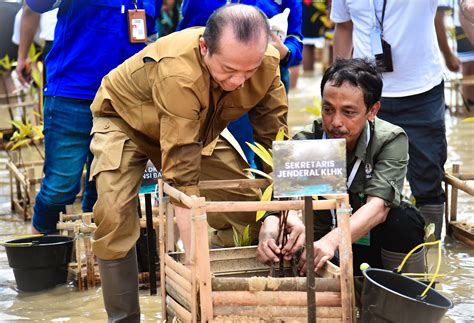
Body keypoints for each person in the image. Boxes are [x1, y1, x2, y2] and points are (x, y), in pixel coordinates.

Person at [90, 5, 287, 321]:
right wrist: (195, 267)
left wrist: (279, 213)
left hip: (194, 125)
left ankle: (234, 299)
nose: (238, 81)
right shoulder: (179, 72)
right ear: (204, 48)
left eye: (248, 71)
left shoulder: (264, 63)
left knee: (248, 208)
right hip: (125, 121)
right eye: (228, 70)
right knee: (113, 214)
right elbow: (181, 175)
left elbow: (277, 144)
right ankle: (124, 317)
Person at [256, 58, 426, 276]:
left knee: (404, 218)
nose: (335, 122)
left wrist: (332, 241)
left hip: (365, 242)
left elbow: (378, 209)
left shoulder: (390, 140)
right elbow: (281, 202)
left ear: (372, 110)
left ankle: (407, 294)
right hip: (318, 246)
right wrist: (272, 224)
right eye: (328, 109)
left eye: (348, 112)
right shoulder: (307, 140)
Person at [25, 0, 161, 236]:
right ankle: (40, 257)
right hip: (72, 97)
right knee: (60, 187)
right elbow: (37, 4)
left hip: (122, 101)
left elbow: (150, 40)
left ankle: (99, 260)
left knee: (106, 188)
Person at [331, 0, 448, 240]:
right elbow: (343, 27)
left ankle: (429, 252)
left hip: (421, 90)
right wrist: (337, 85)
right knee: (360, 177)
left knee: (428, 177)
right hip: (364, 94)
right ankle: (369, 252)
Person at [177, 0, 302, 169]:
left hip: (263, 73)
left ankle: (269, 190)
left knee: (267, 148)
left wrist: (285, 52)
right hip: (208, 79)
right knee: (208, 152)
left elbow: (296, 37)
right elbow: (182, 32)